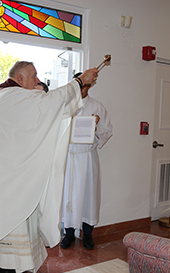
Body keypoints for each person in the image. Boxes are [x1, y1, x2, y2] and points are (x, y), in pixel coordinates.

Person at [0, 61, 98, 273]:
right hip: (8, 183)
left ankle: (16, 266)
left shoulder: (8, 96)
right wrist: (79, 81)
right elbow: (50, 101)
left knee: (18, 236)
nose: (37, 80)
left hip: (11, 179)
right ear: (20, 78)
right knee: (9, 243)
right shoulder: (13, 96)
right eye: (33, 76)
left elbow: (40, 118)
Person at [60, 72, 113, 250]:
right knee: (68, 195)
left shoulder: (97, 106)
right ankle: (68, 234)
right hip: (69, 157)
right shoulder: (64, 106)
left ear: (89, 86)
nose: (81, 89)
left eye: (84, 86)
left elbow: (107, 131)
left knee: (89, 195)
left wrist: (95, 125)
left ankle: (88, 234)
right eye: (78, 85)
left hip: (87, 157)